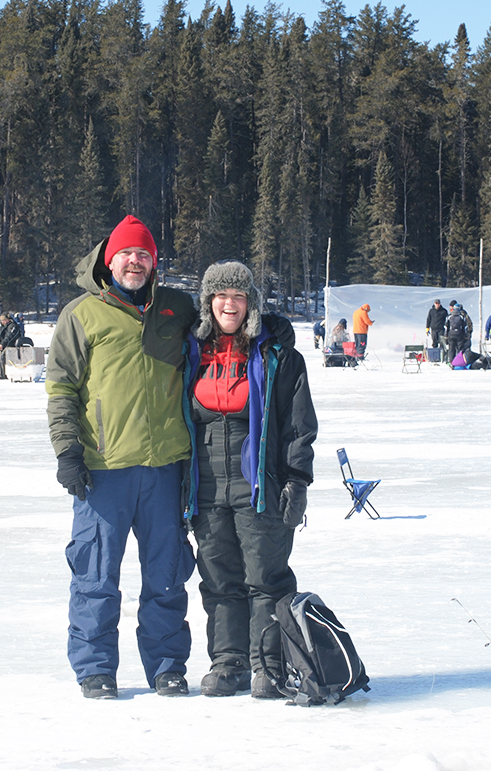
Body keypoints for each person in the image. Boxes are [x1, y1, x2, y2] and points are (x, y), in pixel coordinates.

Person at [46, 215, 197, 699]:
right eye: (127, 254)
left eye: (145, 255)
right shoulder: (81, 314)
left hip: (165, 468)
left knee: (167, 575)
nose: (136, 262)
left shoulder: (177, 308)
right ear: (109, 259)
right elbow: (61, 387)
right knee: (95, 574)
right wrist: (68, 449)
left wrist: (267, 323)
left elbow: (227, 327)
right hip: (102, 470)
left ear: (154, 262)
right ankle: (95, 668)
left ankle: (168, 665)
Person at [185, 261, 317, 699]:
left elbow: (299, 427)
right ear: (208, 303)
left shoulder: (276, 354)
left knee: (266, 575)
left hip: (258, 477)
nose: (229, 304)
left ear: (250, 303)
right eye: (220, 296)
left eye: (238, 296)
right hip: (205, 481)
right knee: (219, 578)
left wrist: (296, 481)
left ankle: (269, 664)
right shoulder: (191, 352)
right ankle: (228, 662)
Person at [0, 312, 21, 379]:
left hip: (11, 346)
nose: (2, 321)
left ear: (7, 319)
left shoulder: (13, 326)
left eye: (3, 320)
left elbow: (9, 337)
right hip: (3, 346)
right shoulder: (3, 326)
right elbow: (2, 336)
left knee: (2, 357)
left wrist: (2, 345)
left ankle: (1, 374)